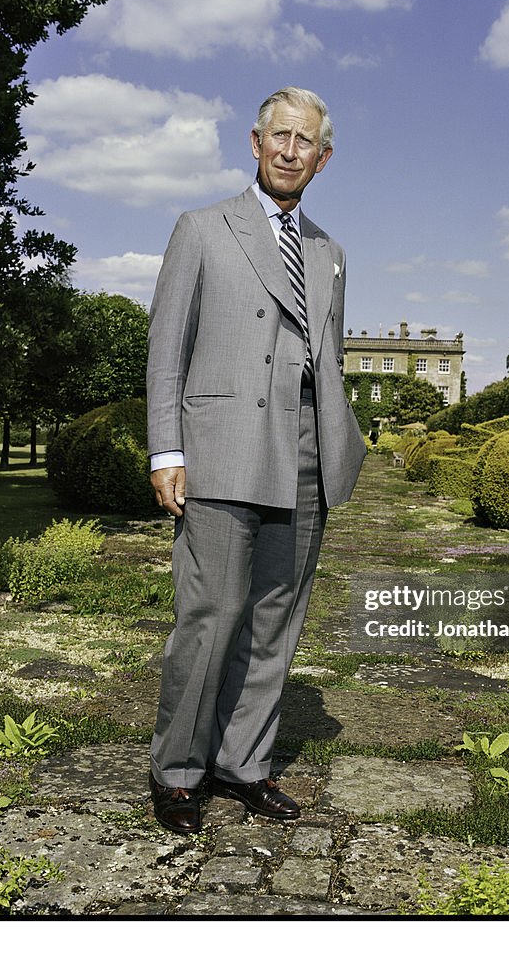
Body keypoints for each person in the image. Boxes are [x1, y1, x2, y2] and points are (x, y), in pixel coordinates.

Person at [145, 86, 366, 834]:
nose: (289, 150)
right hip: (221, 451)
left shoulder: (332, 253)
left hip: (304, 457)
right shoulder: (203, 229)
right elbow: (166, 347)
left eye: (305, 141)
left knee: (278, 622)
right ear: (255, 141)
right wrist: (166, 448)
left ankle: (245, 765)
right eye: (279, 135)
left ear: (323, 158)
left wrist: (343, 442)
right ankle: (177, 774)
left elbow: (327, 360)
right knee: (209, 616)